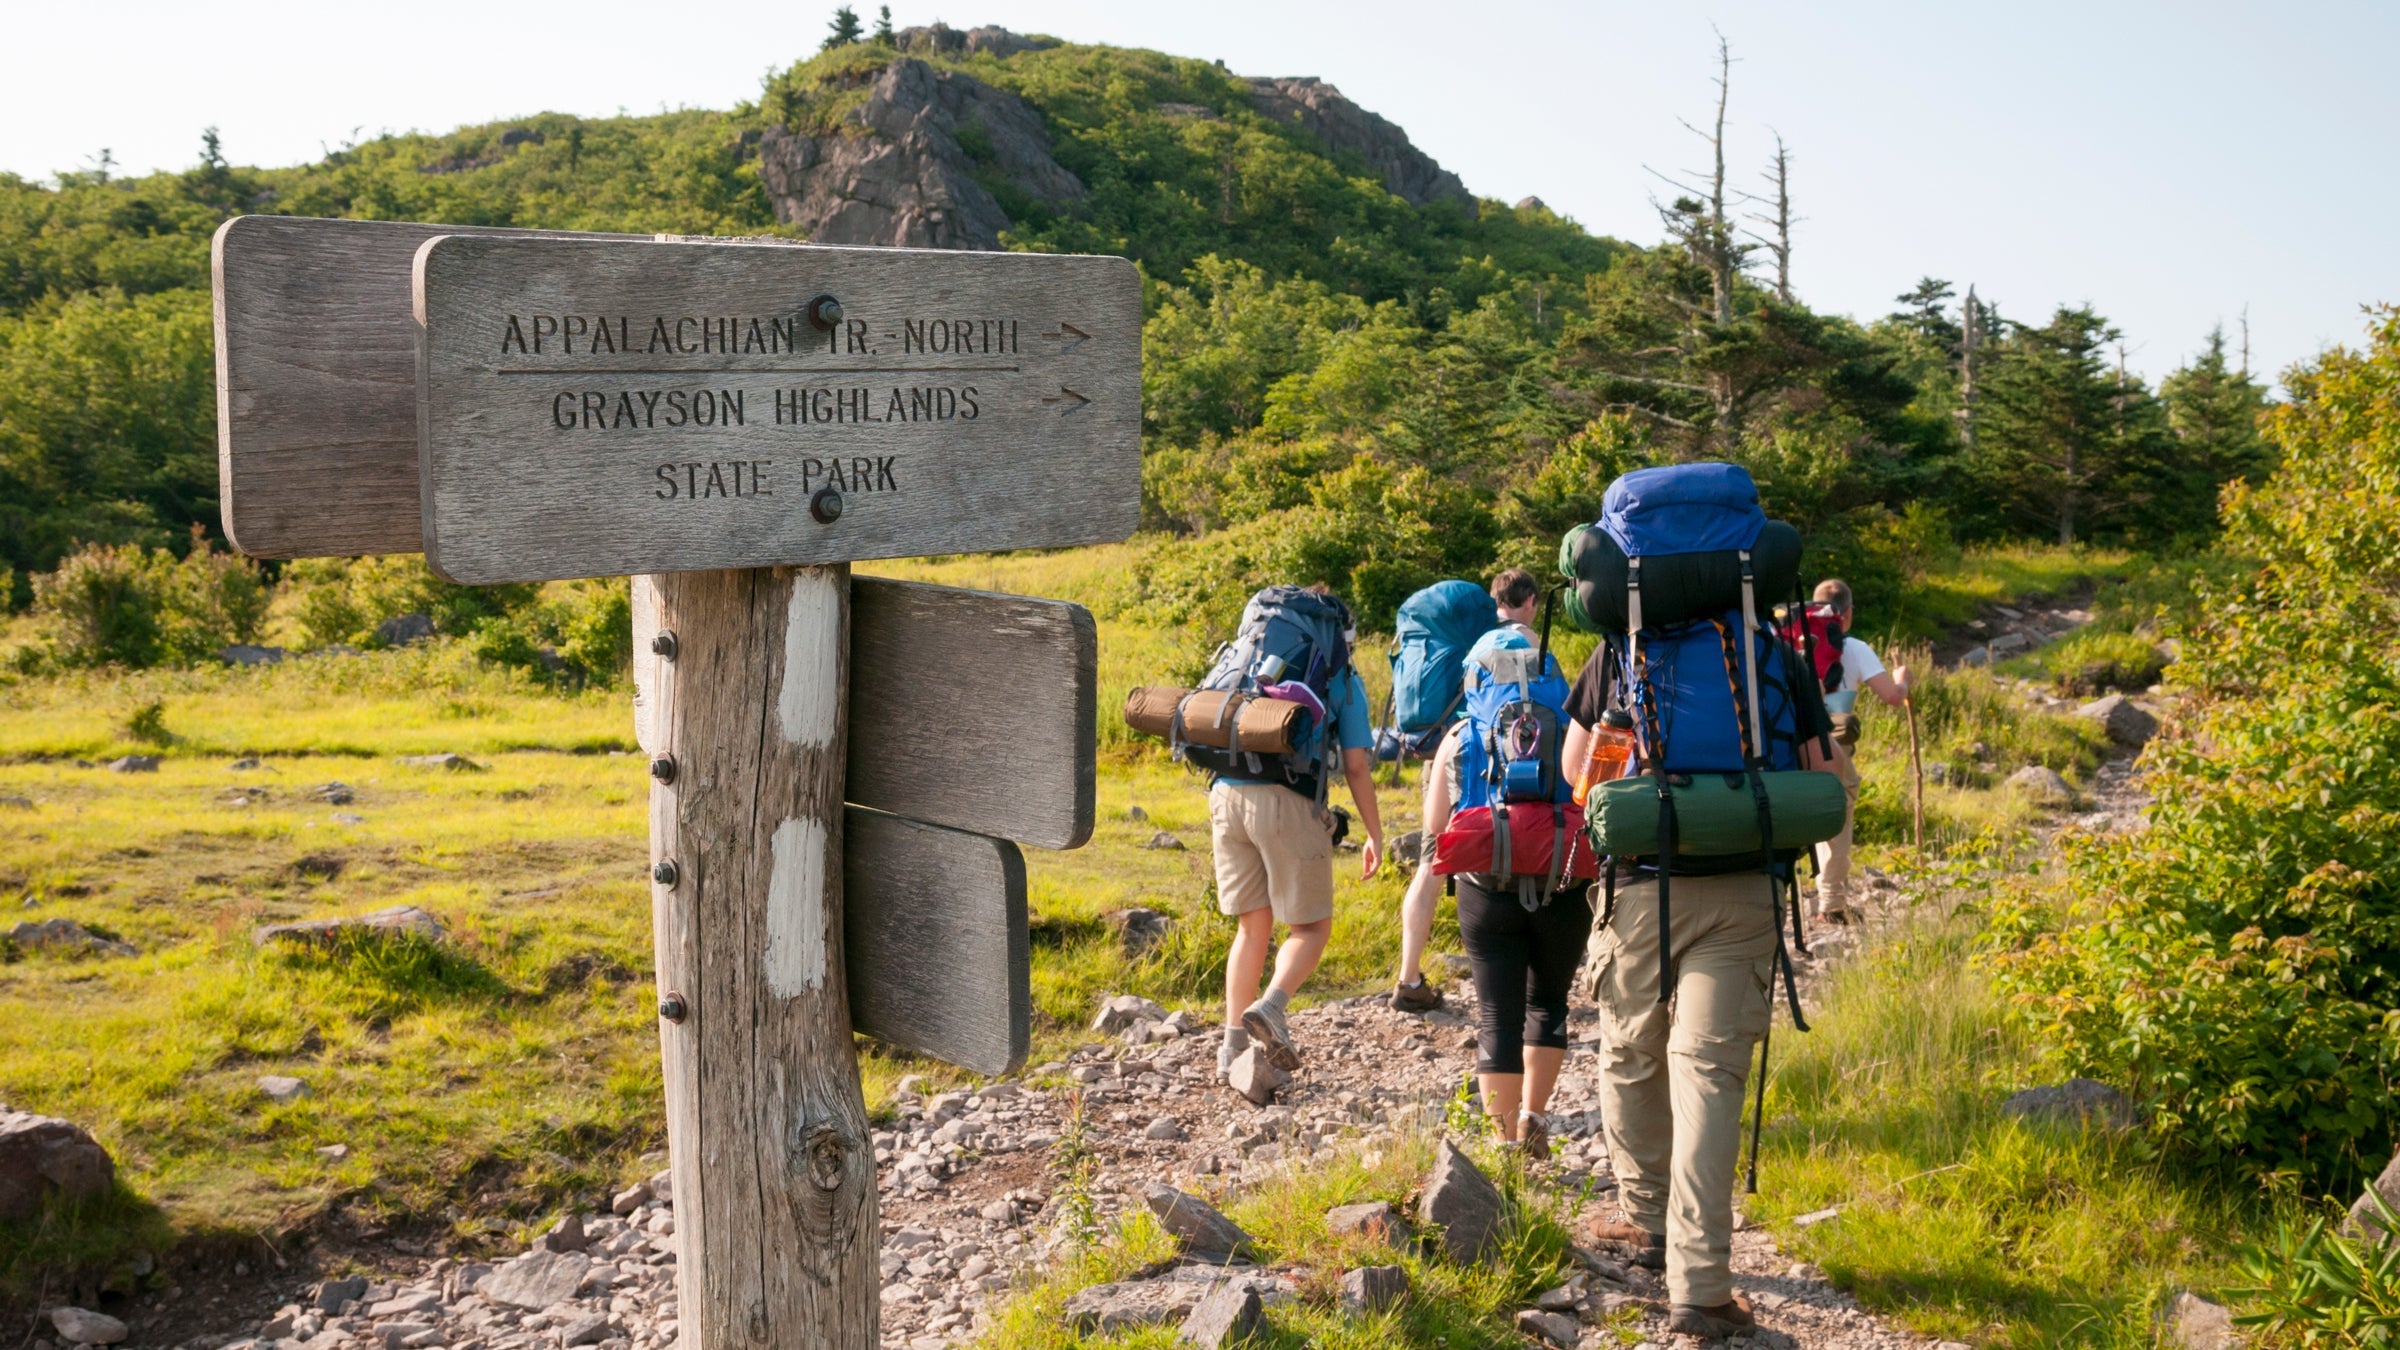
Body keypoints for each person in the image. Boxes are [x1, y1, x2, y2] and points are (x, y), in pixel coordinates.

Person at [1559, 625, 1840, 1339]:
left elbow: (1577, 775)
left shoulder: (1620, 651)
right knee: (1710, 1076)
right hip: (1745, 888)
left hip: (1640, 891)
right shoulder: (1771, 652)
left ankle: (1647, 1219)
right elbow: (1828, 778)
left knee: (1630, 1049)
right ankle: (1704, 1286)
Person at [1426, 628, 1592, 1158]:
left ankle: (1504, 1145)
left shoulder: (1459, 736)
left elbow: (1436, 826)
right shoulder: (1575, 727)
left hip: (1485, 889)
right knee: (1548, 1002)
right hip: (1564, 878)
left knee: (1497, 1014)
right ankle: (1535, 1117)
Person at [1213, 585, 1385, 1082]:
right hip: (1286, 798)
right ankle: (1272, 1006)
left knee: (1252, 926)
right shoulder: (1342, 678)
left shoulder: (1249, 658)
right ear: (1338, 635)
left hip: (1225, 792)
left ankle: (1231, 1050)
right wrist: (1374, 833)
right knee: (1311, 928)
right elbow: (1355, 766)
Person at [1389, 567, 1540, 1012]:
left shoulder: (1468, 643)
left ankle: (1408, 977)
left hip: (1438, 750)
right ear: (1530, 601)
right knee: (1511, 854)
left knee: (1431, 864)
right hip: (1483, 759)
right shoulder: (1519, 644)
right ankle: (1511, 975)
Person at [1806, 579, 1911, 924]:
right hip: (1832, 746)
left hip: (1789, 739)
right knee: (1838, 817)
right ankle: (1832, 904)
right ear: (1847, 613)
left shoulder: (1792, 641)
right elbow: (1892, 698)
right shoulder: (1855, 648)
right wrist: (1904, 678)